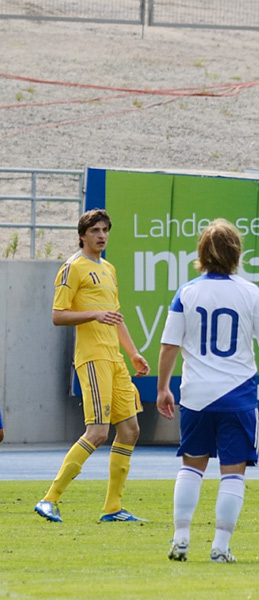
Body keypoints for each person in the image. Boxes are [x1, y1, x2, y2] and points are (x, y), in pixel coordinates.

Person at [156, 219, 259, 564]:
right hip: (236, 396)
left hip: (196, 395)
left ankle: (181, 537)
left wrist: (164, 387)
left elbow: (169, 345)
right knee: (232, 472)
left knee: (191, 468)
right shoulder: (249, 292)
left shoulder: (187, 292)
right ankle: (220, 546)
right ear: (236, 253)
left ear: (201, 254)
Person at [35, 209, 150, 523]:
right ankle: (49, 499)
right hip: (92, 357)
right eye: (95, 230)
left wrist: (134, 353)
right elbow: (58, 315)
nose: (101, 235)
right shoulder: (72, 268)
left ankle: (113, 509)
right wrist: (93, 314)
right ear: (82, 235)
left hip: (114, 358)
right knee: (98, 432)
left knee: (130, 430)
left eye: (105, 230)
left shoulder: (109, 269)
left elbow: (115, 316)